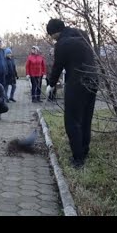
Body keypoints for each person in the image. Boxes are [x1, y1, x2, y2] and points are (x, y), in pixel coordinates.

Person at [45, 19, 97, 169]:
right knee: (86, 118)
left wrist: (51, 84)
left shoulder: (62, 43)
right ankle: (84, 150)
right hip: (93, 80)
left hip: (77, 83)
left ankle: (78, 159)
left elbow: (58, 66)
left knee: (72, 121)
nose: (52, 38)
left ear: (55, 32)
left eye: (51, 35)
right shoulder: (83, 34)